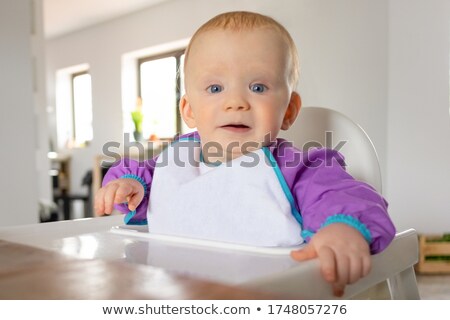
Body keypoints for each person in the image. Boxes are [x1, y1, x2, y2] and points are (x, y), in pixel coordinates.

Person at [95, 11, 396, 297]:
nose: (236, 102)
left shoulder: (298, 169)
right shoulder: (175, 163)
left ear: (288, 110)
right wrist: (128, 186)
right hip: (178, 294)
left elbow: (342, 196)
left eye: (258, 86)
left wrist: (341, 227)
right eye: (215, 88)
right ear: (189, 111)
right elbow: (145, 184)